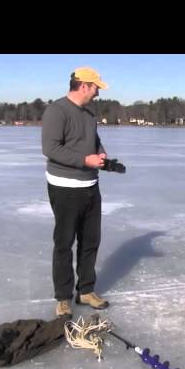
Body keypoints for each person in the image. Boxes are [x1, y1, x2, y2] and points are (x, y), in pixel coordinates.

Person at [41, 67, 111, 318]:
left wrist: (101, 153)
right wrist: (85, 160)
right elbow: (50, 148)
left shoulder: (89, 113)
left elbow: (94, 139)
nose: (97, 93)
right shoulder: (56, 111)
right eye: (95, 88)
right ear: (83, 86)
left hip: (91, 186)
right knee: (64, 243)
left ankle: (86, 290)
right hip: (64, 187)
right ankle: (62, 298)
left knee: (91, 241)